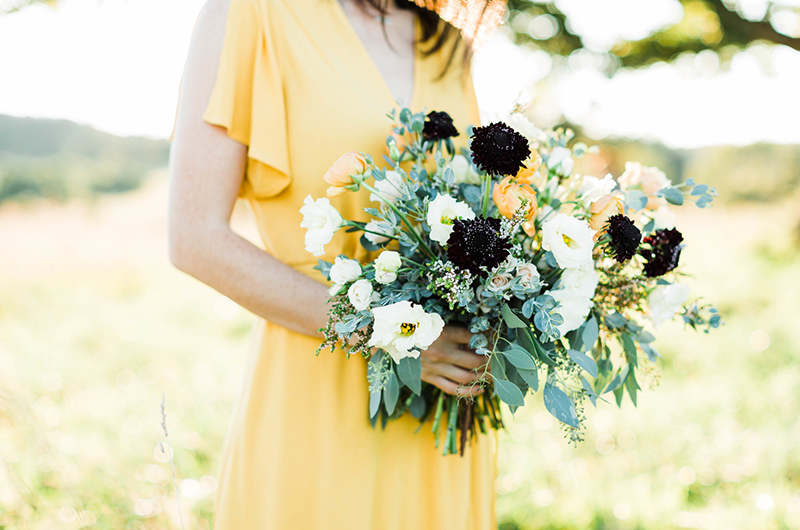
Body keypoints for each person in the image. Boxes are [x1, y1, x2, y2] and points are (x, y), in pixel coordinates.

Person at [168, 0, 497, 527]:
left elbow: (478, 205)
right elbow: (194, 238)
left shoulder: (447, 45)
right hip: (316, 391)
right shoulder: (251, 14)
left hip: (440, 412)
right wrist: (398, 337)